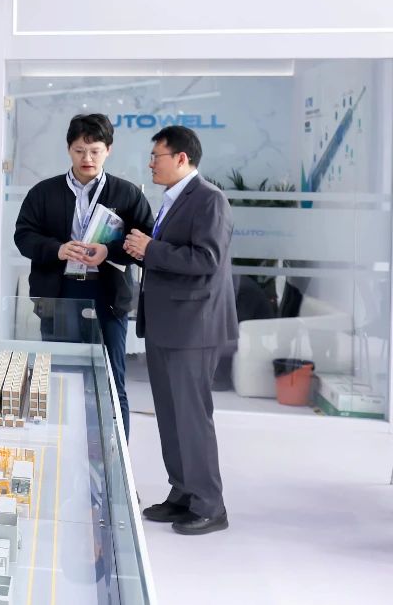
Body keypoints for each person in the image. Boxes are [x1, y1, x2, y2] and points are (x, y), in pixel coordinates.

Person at [124, 125, 236, 536]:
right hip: (166, 324)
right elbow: (171, 257)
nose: (151, 164)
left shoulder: (209, 199)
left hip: (193, 327)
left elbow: (206, 259)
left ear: (182, 159)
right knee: (171, 416)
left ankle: (210, 504)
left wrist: (150, 249)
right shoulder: (173, 199)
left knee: (191, 417)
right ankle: (183, 492)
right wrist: (141, 251)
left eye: (157, 156)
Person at [13, 114, 153, 438]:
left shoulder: (127, 194)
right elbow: (23, 236)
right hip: (59, 294)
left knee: (112, 379)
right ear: (68, 149)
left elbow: (145, 242)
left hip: (108, 296)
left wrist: (110, 251)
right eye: (79, 150)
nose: (86, 158)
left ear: (108, 150)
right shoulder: (43, 193)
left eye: (95, 151)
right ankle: (62, 450)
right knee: (60, 376)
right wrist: (58, 249)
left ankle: (117, 460)